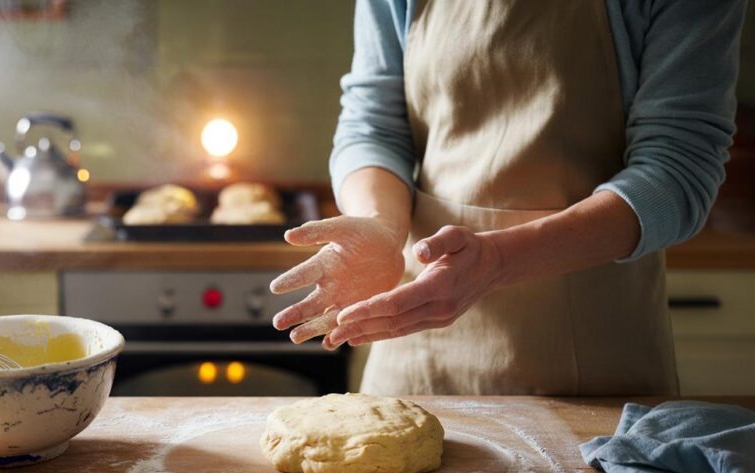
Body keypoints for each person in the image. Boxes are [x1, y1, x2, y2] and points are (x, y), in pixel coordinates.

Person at [271, 0, 744, 395]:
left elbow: (677, 170)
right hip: (415, 336)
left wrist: (497, 260)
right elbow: (372, 126)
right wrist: (379, 224)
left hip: (595, 362)